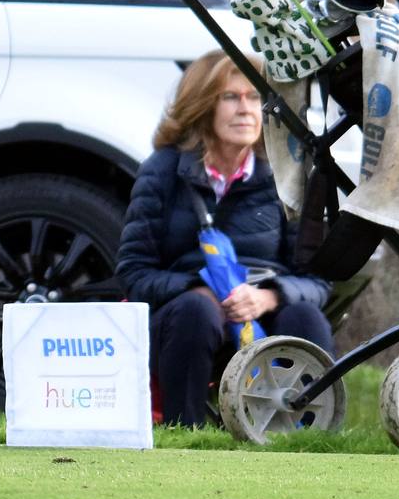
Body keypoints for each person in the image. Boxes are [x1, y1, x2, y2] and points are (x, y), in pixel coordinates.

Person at [117, 50, 336, 427]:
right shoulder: (162, 171)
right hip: (183, 319)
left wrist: (268, 297)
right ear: (203, 105)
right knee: (196, 312)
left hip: (263, 309)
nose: (246, 110)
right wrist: (197, 289)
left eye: (255, 98)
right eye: (231, 97)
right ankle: (184, 431)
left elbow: (317, 281)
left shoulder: (286, 176)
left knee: (305, 315)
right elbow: (134, 275)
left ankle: (309, 435)